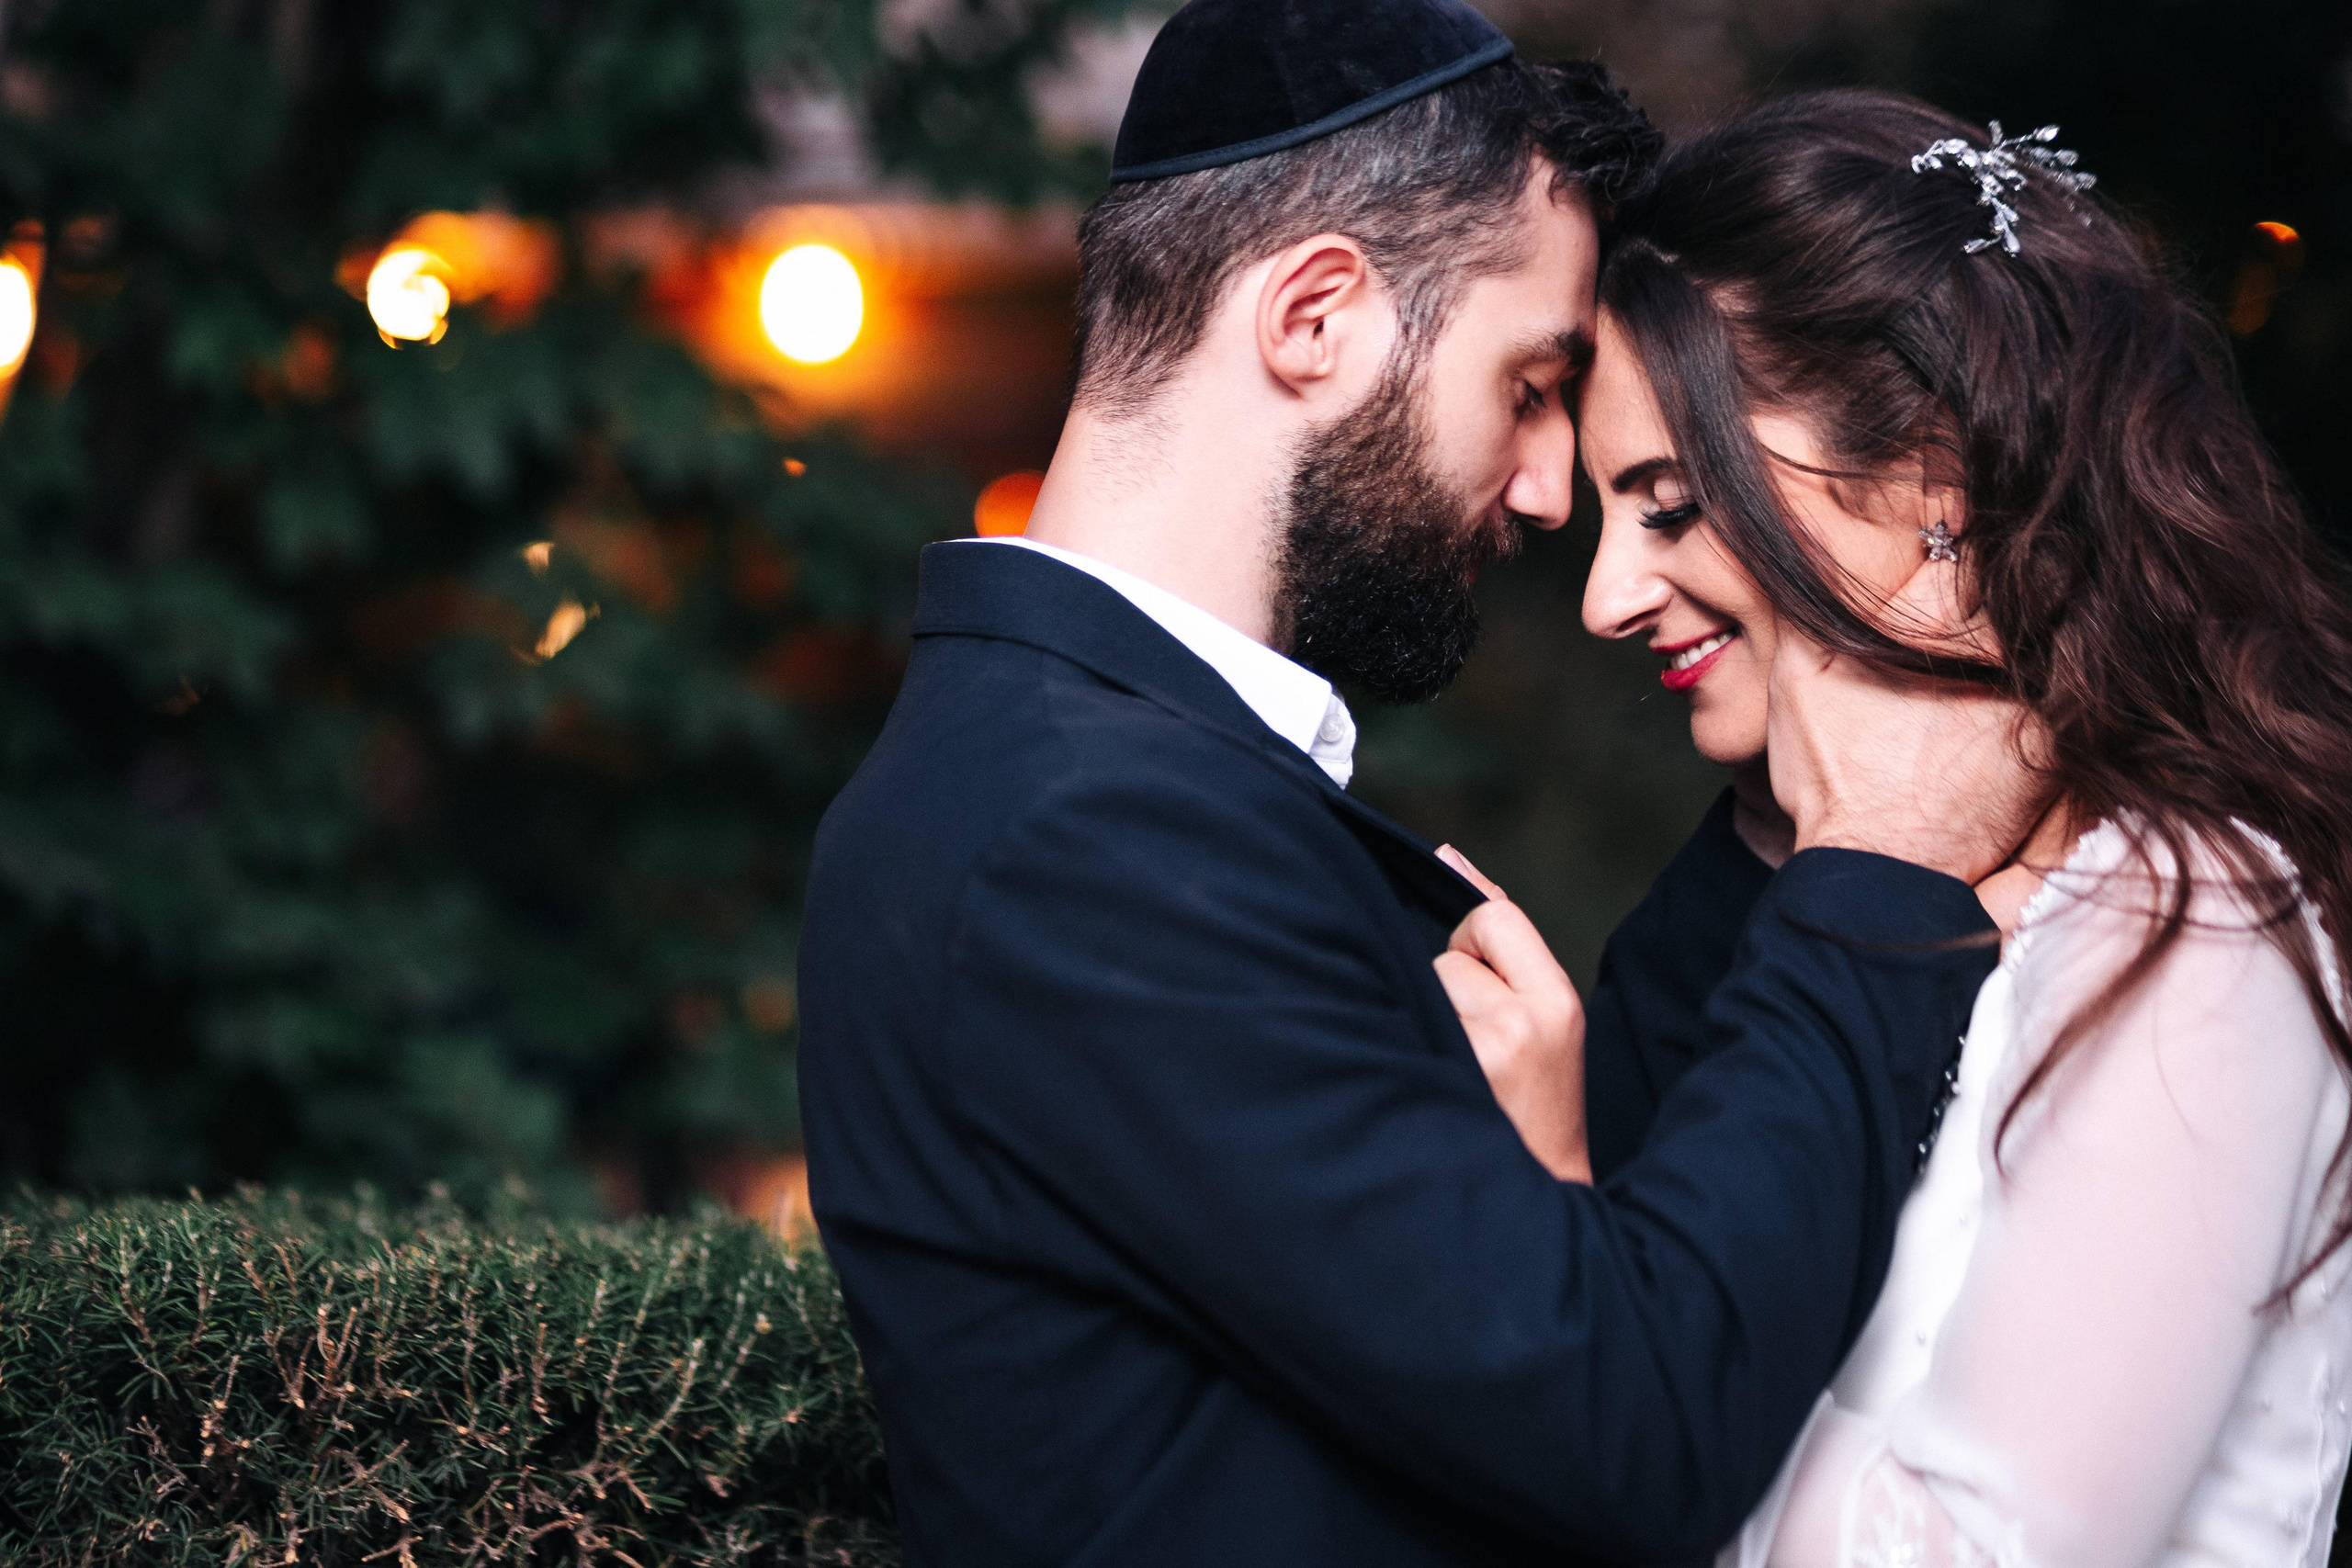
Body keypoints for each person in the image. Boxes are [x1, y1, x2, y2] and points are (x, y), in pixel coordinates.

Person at [799, 1, 2044, 1562]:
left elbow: (1509, 1294)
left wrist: (1782, 801)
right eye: (1530, 385)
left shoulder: (1120, 773)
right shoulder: (1085, 836)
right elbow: (1628, 1418)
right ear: (1315, 315)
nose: (1541, 486)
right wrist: (1882, 867)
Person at [1560, 89, 2352, 1566]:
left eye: (1667, 506)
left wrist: (1575, 1279)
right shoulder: (1734, 907)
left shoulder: (2187, 911)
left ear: (1931, 470)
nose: (1606, 595)